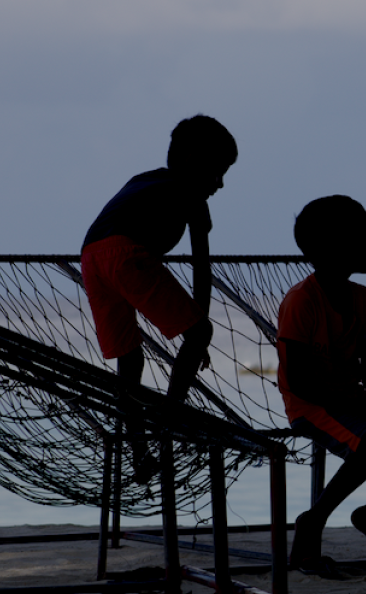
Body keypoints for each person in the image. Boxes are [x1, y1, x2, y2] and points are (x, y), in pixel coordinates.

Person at [80, 115, 237, 482]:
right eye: (217, 171)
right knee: (198, 334)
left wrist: (195, 329)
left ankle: (139, 453)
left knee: (129, 361)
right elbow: (202, 268)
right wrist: (198, 333)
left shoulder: (141, 180)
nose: (220, 184)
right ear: (191, 160)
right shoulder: (192, 196)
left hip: (90, 257)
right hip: (124, 253)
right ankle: (170, 423)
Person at [277, 195, 366, 572]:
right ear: (331, 248)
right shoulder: (301, 301)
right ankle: (314, 521)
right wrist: (362, 406)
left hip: (352, 401)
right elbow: (298, 382)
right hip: (310, 404)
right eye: (362, 236)